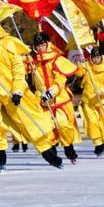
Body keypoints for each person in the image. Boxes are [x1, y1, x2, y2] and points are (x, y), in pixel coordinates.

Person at [0, 7, 62, 171]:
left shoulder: (8, 42)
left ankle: (46, 150)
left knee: (25, 119)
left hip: (9, 89)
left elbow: (18, 69)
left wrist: (18, 91)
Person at [30, 32, 82, 164]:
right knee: (46, 127)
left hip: (59, 98)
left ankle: (69, 148)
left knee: (63, 124)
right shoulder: (32, 61)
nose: (40, 47)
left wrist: (52, 91)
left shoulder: (56, 59)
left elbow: (60, 80)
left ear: (47, 43)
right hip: (42, 100)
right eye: (37, 45)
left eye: (42, 44)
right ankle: (52, 153)